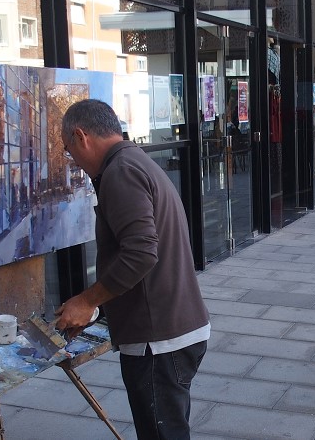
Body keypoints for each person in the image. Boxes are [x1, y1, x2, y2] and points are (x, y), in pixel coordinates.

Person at [55, 99, 211, 439]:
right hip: (172, 327)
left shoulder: (120, 171)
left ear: (81, 136)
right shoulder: (134, 160)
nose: (74, 162)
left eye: (69, 151)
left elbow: (140, 253)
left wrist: (88, 301)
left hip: (160, 339)